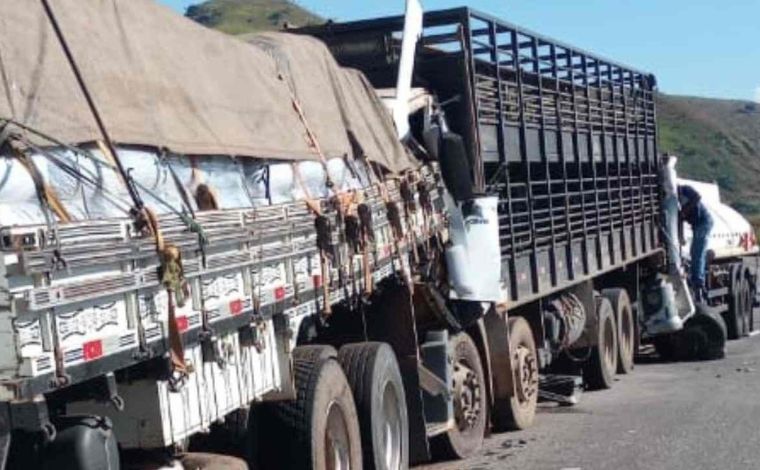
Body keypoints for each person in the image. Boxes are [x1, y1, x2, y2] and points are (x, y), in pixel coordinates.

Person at [678, 183, 714, 302]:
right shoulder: (675, 201)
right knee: (696, 252)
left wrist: (685, 210)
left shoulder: (685, 189)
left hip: (704, 221)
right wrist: (681, 237)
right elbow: (679, 220)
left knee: (697, 252)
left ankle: (698, 283)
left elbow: (697, 196)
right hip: (696, 225)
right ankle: (698, 278)